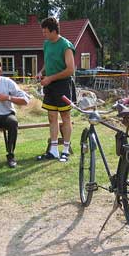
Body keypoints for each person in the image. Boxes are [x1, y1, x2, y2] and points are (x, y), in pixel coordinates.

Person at [37, 16, 75, 162]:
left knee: (65, 117)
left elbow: (70, 70)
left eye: (45, 32)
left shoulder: (66, 45)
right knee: (52, 117)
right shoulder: (46, 44)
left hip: (63, 85)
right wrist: (42, 72)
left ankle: (65, 150)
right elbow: (48, 62)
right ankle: (53, 151)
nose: (44, 35)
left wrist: (50, 78)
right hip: (50, 85)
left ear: (54, 31)